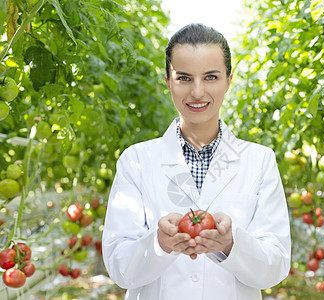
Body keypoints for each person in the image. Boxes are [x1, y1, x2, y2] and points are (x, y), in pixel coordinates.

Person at [102, 23, 291, 300]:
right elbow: (119, 269)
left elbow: (276, 266)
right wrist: (159, 244)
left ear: (229, 80)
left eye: (211, 77)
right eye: (184, 78)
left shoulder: (259, 161)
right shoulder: (136, 161)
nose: (198, 92)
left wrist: (231, 244)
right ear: (168, 81)